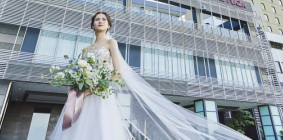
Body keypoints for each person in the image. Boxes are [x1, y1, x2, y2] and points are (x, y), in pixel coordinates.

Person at [50, 11, 251, 140]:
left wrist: (94, 87)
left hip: (101, 94)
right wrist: (78, 88)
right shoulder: (85, 49)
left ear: (108, 25)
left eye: (104, 19)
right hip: (81, 96)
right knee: (75, 130)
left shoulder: (112, 43)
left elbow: (117, 72)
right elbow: (80, 73)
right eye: (97, 19)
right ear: (92, 25)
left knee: (102, 130)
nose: (100, 21)